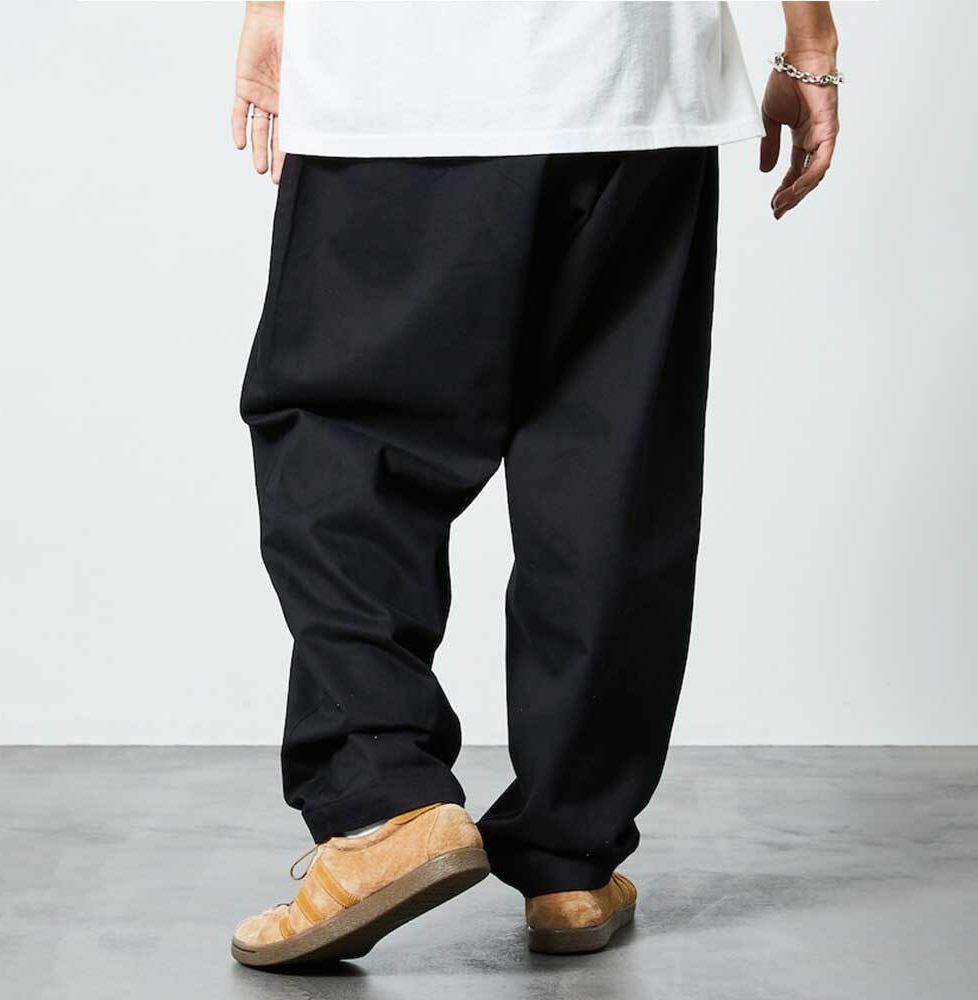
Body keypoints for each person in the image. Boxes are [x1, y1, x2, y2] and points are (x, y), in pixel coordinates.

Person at [228, 0, 840, 967]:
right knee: (611, 467)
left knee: (342, 437)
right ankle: (571, 857)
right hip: (642, 80)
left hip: (411, 75)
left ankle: (384, 801)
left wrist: (272, 9)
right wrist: (811, 44)